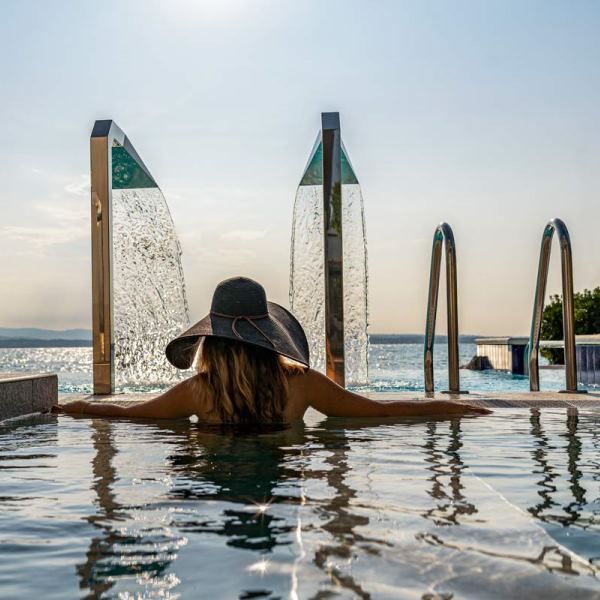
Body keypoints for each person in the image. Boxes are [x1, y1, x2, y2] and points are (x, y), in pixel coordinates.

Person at [55, 277, 491, 421]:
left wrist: (71, 407)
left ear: (210, 339)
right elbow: (380, 414)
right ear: (269, 336)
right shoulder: (300, 386)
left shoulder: (199, 392)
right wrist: (456, 409)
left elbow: (130, 417)